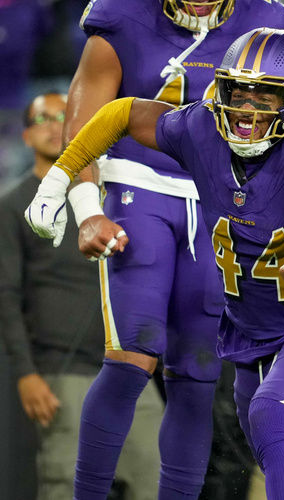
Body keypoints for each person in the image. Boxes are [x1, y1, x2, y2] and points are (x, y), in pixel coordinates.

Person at [24, 28, 284, 500]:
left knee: (270, 415)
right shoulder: (200, 129)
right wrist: (59, 178)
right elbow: (121, 111)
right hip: (249, 335)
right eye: (239, 92)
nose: (246, 109)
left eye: (266, 97)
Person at [45, 1, 284, 499]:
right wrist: (86, 208)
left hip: (217, 198)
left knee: (199, 374)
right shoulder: (122, 15)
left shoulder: (266, 20)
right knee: (132, 357)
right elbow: (84, 123)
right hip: (137, 186)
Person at [0, 92, 164, 500]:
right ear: (25, 136)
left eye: (65, 115)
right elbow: (6, 295)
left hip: (128, 364)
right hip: (63, 371)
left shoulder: (109, 195)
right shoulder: (13, 206)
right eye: (45, 117)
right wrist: (26, 373)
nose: (57, 125)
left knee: (157, 480)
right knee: (69, 489)